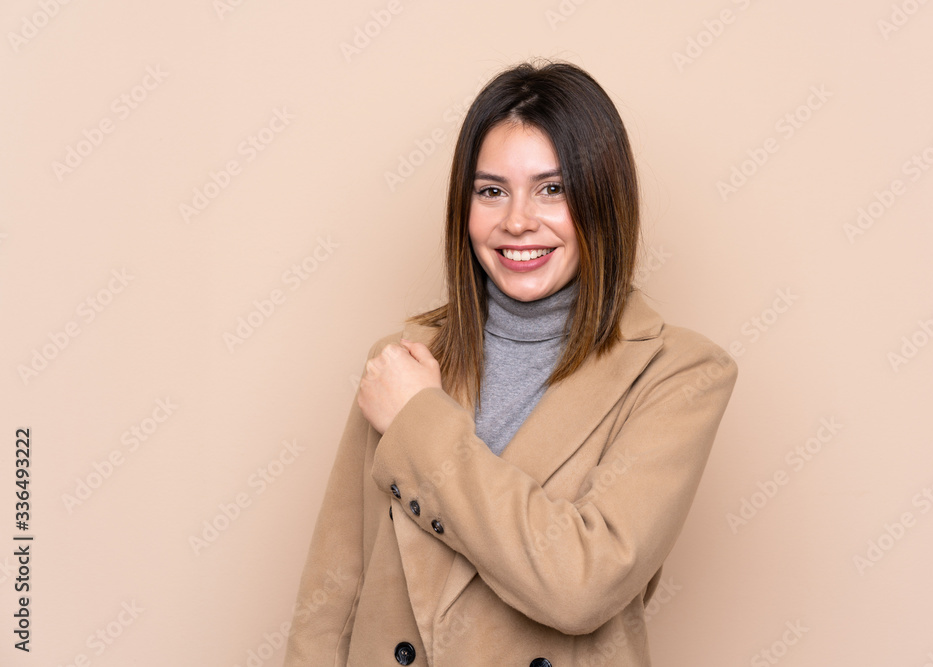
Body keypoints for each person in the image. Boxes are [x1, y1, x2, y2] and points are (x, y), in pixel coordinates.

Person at [283, 61, 738, 666]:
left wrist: (420, 421)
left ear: (603, 200)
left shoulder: (680, 373)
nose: (517, 221)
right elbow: (332, 598)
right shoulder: (405, 360)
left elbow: (582, 584)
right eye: (491, 191)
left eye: (553, 189)